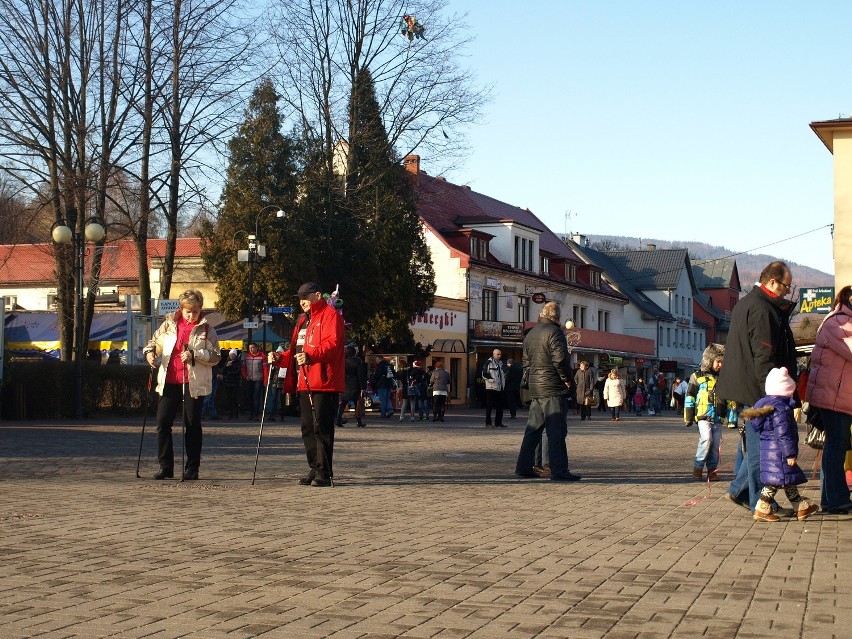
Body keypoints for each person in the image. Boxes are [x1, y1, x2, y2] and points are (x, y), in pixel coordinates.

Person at [717, 261, 798, 514]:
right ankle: (760, 503)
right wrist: (771, 396)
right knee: (759, 450)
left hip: (746, 385)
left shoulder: (748, 303)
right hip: (756, 388)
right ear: (772, 282)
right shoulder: (762, 308)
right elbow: (764, 355)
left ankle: (740, 491)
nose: (788, 290)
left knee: (754, 446)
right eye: (786, 285)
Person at [271, 282, 344, 487]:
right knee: (307, 428)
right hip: (303, 380)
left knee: (322, 426)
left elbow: (333, 345)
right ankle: (314, 467)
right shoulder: (303, 321)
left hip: (323, 381)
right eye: (300, 298)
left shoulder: (330, 315)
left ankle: (324, 471)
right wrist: (279, 357)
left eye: (305, 296)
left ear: (318, 295)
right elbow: (296, 351)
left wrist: (311, 356)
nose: (302, 301)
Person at [143, 289, 220, 480]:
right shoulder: (169, 324)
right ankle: (165, 466)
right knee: (162, 422)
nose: (192, 315)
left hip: (193, 383)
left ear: (200, 310)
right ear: (182, 309)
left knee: (192, 424)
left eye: (195, 311)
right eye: (188, 311)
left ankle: (192, 468)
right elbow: (154, 342)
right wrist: (150, 353)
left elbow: (216, 356)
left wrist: (195, 354)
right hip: (169, 381)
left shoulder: (207, 329)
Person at [514, 301, 582, 482]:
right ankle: (559, 470)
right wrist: (568, 380)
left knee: (533, 430)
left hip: (536, 388)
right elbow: (560, 360)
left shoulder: (531, 334)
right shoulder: (555, 332)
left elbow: (527, 363)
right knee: (556, 431)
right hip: (553, 387)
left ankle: (523, 467)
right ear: (557, 317)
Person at [743, 367, 819, 522]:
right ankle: (762, 507)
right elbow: (783, 434)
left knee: (786, 480)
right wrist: (790, 453)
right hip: (779, 452)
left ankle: (800, 507)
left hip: (770, 451)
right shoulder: (781, 409)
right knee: (774, 482)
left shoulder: (767, 404)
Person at [805, 284, 852, 514]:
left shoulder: (840, 320)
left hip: (838, 395)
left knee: (836, 444)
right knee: (837, 444)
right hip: (833, 396)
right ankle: (835, 499)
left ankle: (833, 497)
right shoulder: (840, 322)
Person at [684, 344, 725, 481]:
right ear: (709, 360)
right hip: (703, 416)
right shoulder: (697, 376)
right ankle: (698, 466)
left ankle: (712, 471)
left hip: (718, 416)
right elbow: (690, 396)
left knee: (714, 446)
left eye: (722, 362)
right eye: (718, 361)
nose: (720, 365)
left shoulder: (723, 378)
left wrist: (732, 418)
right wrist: (688, 416)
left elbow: (730, 400)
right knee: (706, 439)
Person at [337, 346, 367, 428]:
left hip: (345, 384)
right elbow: (361, 375)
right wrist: (363, 387)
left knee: (343, 403)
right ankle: (359, 421)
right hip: (355, 384)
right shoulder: (358, 361)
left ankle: (338, 419)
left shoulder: (342, 362)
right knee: (357, 403)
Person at [482, 348, 507, 428]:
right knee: (489, 406)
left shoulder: (500, 363)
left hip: (500, 387)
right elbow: (484, 374)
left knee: (500, 406)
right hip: (491, 387)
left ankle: (498, 422)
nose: (499, 356)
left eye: (500, 354)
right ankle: (488, 423)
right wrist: (491, 380)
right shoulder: (489, 362)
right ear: (493, 354)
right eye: (497, 354)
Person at [241, 342, 264, 420]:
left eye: (253, 348)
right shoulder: (247, 356)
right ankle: (251, 414)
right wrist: (245, 376)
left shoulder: (262, 356)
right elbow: (243, 367)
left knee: (256, 397)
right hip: (249, 379)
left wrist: (265, 380)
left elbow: (265, 369)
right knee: (250, 397)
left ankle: (256, 415)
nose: (251, 349)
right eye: (250, 348)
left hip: (258, 379)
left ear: (256, 348)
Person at [222, 348, 242, 419]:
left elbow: (238, 371)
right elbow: (223, 371)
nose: (232, 356)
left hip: (235, 382)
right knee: (229, 398)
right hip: (228, 382)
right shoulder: (227, 361)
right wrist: (227, 366)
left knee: (234, 397)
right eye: (230, 355)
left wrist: (229, 373)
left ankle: (236, 411)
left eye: (233, 355)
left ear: (235, 355)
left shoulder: (238, 362)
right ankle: (231, 412)